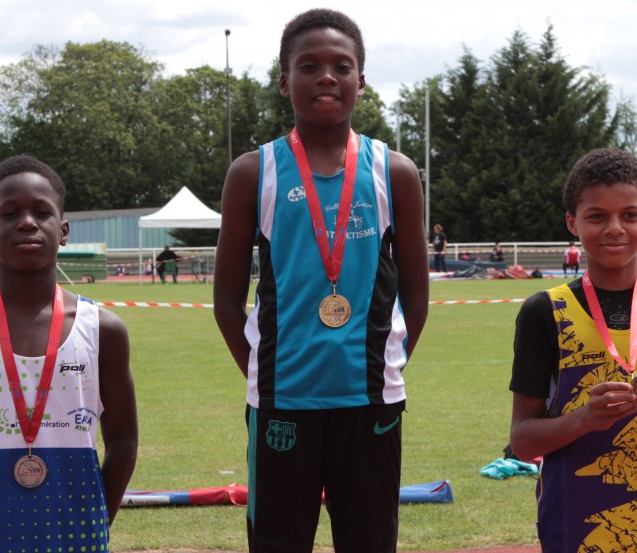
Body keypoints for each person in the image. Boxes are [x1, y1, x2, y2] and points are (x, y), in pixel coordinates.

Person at [213, 9, 429, 553]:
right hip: (282, 403)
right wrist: (265, 375)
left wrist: (384, 367)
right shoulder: (253, 172)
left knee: (370, 540)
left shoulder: (395, 172)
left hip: (372, 400)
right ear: (284, 81)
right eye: (308, 66)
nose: (326, 77)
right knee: (278, 542)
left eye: (342, 66)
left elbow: (417, 297)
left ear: (361, 79)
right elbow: (225, 302)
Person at [0, 155, 138, 551]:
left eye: (41, 212)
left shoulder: (103, 329)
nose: (27, 222)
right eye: (10, 214)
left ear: (64, 230)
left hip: (78, 540)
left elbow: (123, 441)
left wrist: (95, 524)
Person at [509, 147, 637, 552]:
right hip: (575, 525)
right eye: (597, 216)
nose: (615, 228)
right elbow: (523, 441)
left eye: (630, 215)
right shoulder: (545, 312)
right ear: (573, 222)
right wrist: (584, 419)